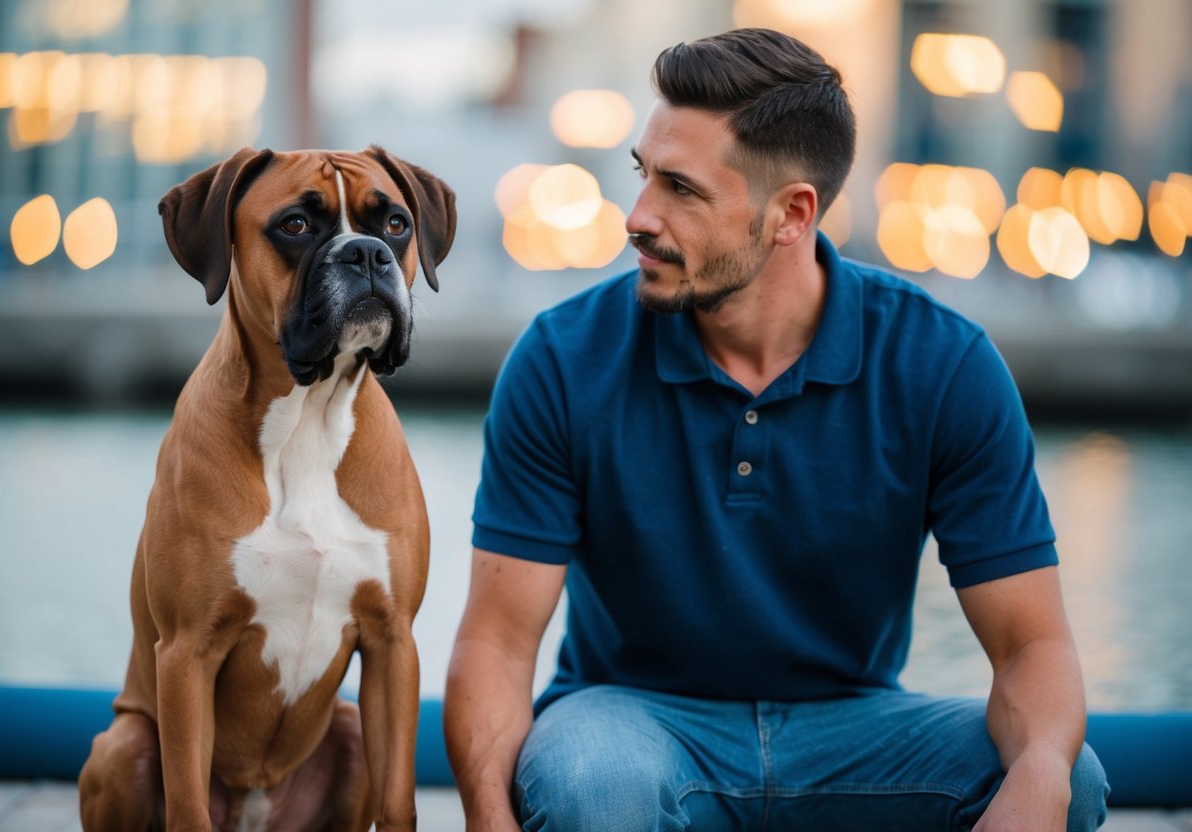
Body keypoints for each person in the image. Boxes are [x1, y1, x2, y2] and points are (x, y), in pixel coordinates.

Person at [445, 27, 1109, 832]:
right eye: (642, 175)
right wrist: (485, 816)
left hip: (853, 733)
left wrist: (1039, 780)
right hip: (630, 722)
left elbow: (1030, 647)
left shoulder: (943, 364)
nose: (636, 217)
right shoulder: (560, 359)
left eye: (681, 190)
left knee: (1068, 780)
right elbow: (499, 644)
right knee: (594, 781)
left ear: (791, 213)